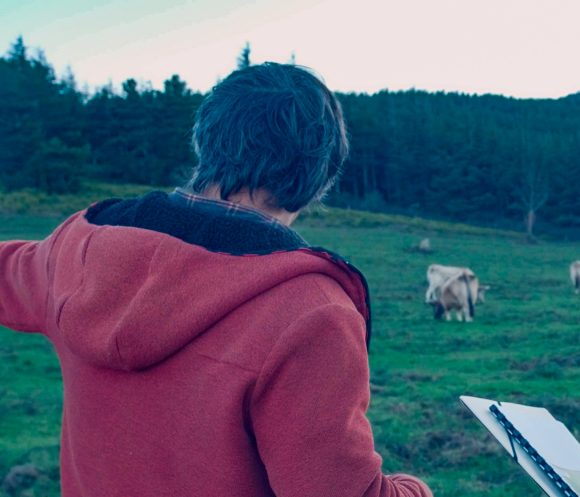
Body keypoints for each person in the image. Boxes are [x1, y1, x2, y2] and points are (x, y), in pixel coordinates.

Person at [0, 63, 432, 497]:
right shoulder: (313, 314)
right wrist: (415, 488)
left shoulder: (74, 249)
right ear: (319, 178)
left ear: (204, 139)